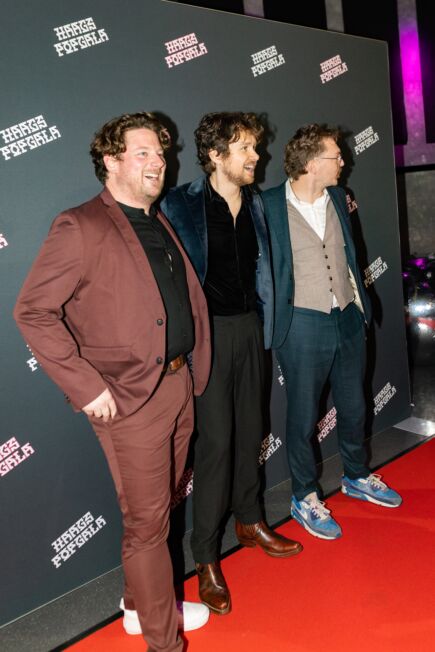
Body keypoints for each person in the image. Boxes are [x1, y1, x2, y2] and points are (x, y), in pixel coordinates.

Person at [14, 112, 212, 652]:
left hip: (177, 386)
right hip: (129, 400)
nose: (158, 163)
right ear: (111, 160)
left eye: (161, 154)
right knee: (148, 525)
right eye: (143, 152)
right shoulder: (80, 225)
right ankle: (163, 643)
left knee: (162, 508)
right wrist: (87, 386)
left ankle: (135, 608)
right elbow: (33, 311)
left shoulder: (155, 218)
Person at [161, 112, 302, 615]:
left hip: (250, 330)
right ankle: (204, 557)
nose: (256, 157)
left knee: (252, 430)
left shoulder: (257, 202)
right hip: (208, 337)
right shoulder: (180, 204)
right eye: (245, 149)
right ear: (215, 154)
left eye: (255, 148)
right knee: (217, 443)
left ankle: (249, 520)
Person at [262, 123, 402, 541]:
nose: (344, 161)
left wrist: (357, 306)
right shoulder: (268, 206)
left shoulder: (340, 197)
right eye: (335, 156)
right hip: (301, 322)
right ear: (310, 163)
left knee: (355, 404)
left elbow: (349, 255)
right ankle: (304, 495)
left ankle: (356, 476)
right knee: (304, 415)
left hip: (347, 316)